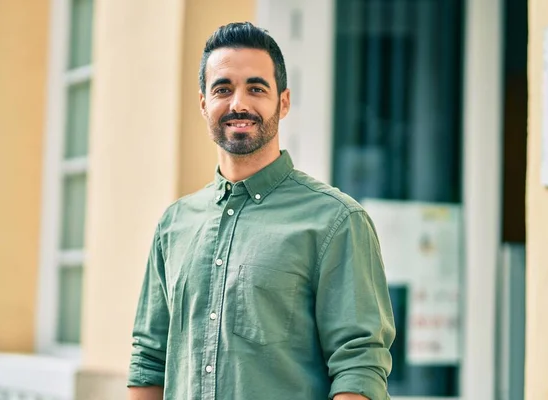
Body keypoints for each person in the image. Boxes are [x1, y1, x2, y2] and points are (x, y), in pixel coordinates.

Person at [127, 22, 395, 400]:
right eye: (223, 89)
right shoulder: (174, 224)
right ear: (203, 103)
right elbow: (149, 359)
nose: (239, 104)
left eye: (256, 88)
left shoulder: (335, 221)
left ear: (283, 102)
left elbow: (359, 365)